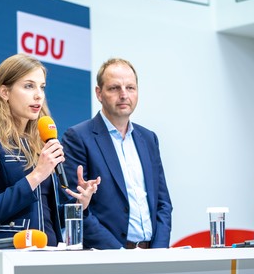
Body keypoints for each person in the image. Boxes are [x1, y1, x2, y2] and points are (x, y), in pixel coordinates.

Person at [0, 53, 100, 246]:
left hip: (48, 252)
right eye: (29, 86)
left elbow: (46, 216)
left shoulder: (38, 141)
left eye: (42, 87)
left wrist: (79, 204)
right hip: (10, 254)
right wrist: (37, 175)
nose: (38, 95)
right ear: (4, 92)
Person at [61, 58, 173, 249]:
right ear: (99, 93)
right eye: (114, 88)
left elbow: (162, 204)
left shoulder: (148, 139)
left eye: (130, 88)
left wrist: (159, 250)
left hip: (152, 254)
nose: (123, 95)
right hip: (106, 257)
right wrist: (118, 253)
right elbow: (75, 207)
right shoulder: (78, 137)